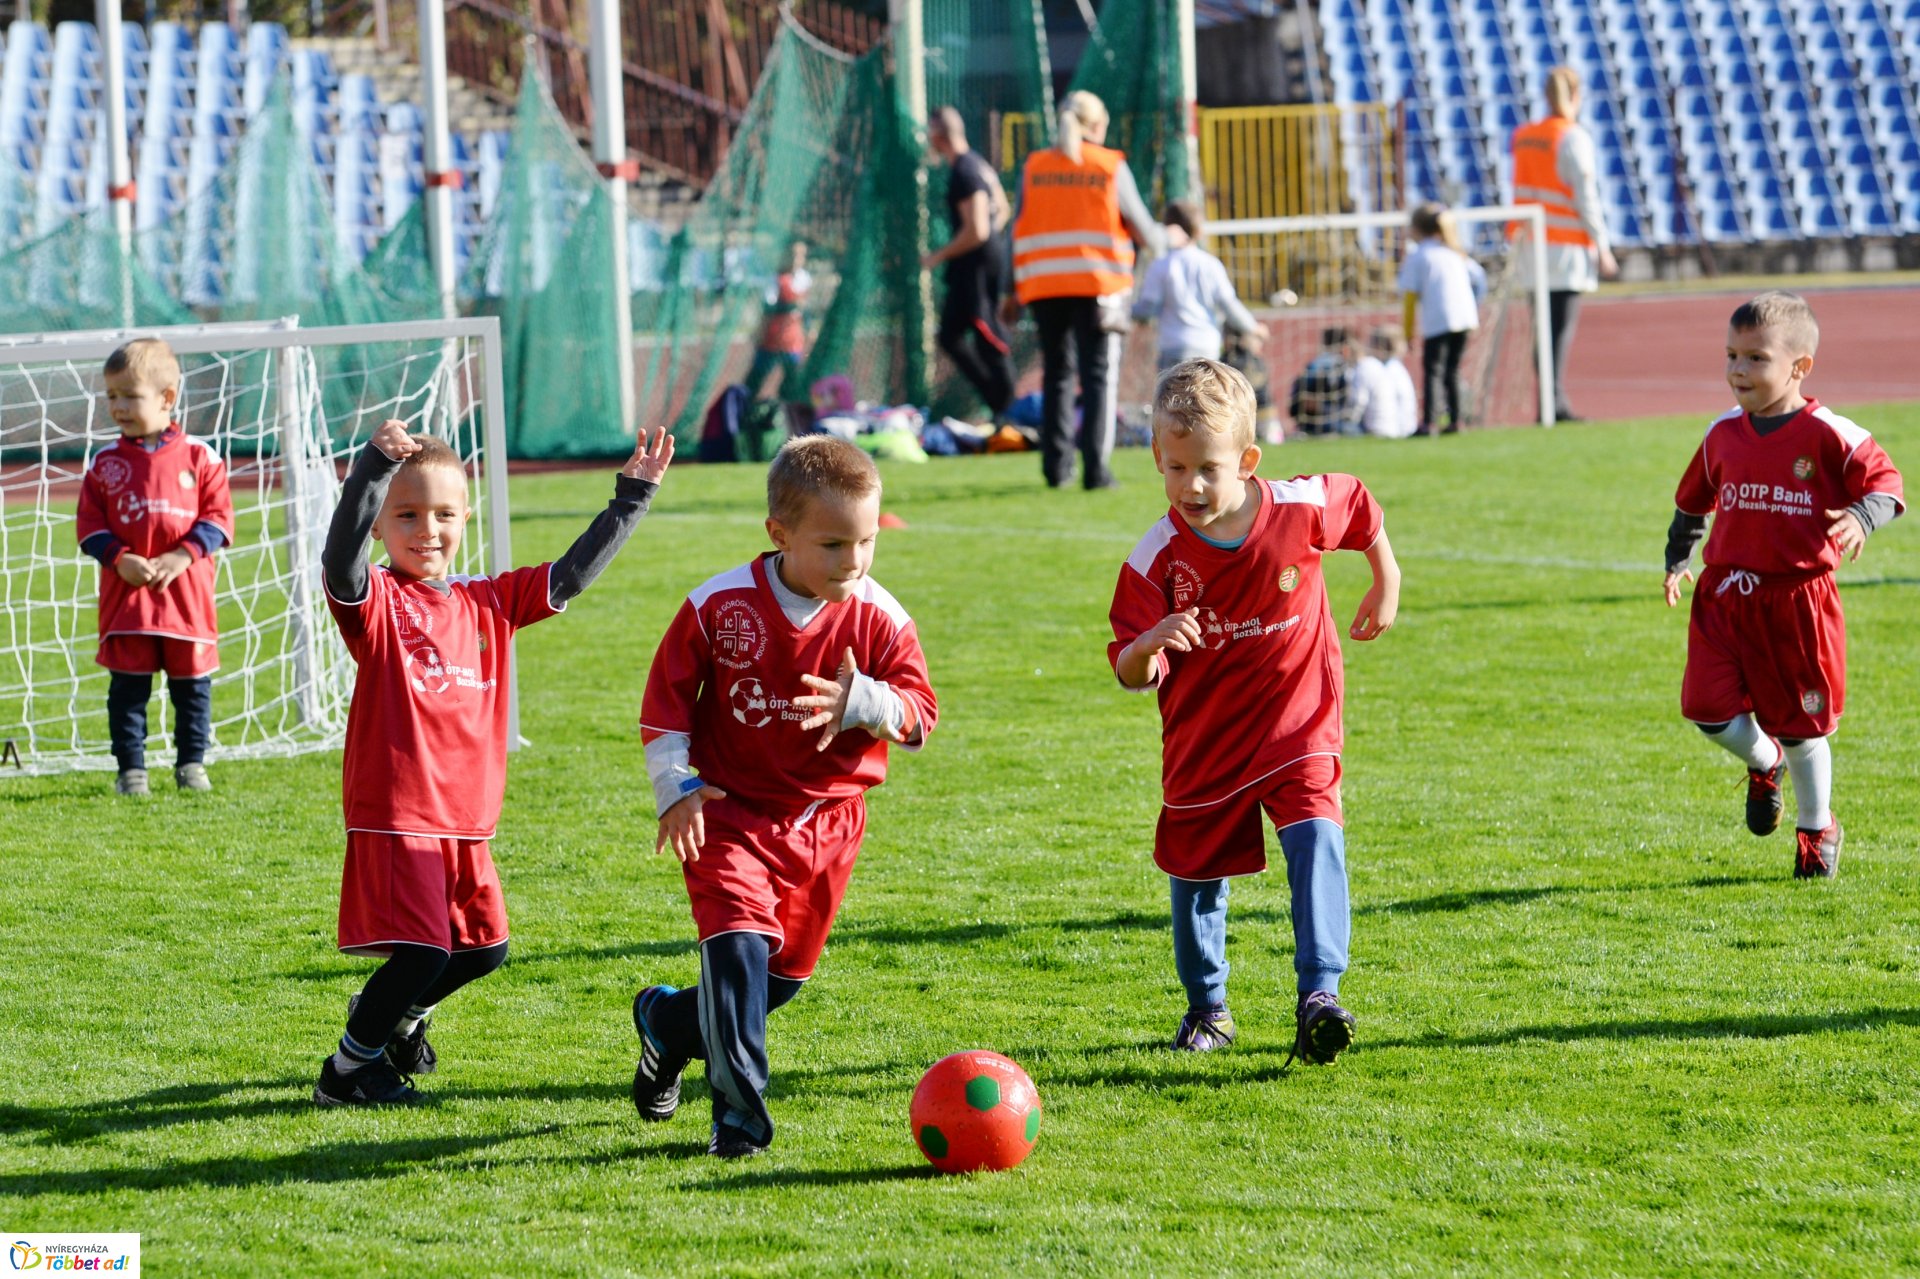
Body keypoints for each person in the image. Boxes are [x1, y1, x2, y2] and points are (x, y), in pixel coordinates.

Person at [312, 421, 673, 1106]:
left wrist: (632, 498)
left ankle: (393, 1019)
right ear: (382, 527)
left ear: (465, 518)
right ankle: (346, 1069)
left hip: (467, 819)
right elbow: (340, 563)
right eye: (407, 515)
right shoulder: (379, 605)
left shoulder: (488, 603)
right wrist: (372, 470)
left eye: (444, 514)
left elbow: (569, 575)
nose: (427, 529)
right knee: (423, 952)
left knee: (483, 949)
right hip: (401, 813)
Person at [632, 436, 938, 1158]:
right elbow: (664, 705)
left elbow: (922, 715)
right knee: (736, 949)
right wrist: (675, 788)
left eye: (866, 541)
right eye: (833, 544)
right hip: (729, 811)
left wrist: (864, 699)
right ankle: (738, 1118)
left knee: (776, 984)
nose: (855, 560)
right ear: (779, 534)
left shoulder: (880, 617)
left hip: (829, 825)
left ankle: (667, 1026)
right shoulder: (717, 605)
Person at [1107, 358, 1401, 1066]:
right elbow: (1127, 671)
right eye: (1175, 468)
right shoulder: (1156, 557)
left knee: (1316, 840)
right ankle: (1208, 1007)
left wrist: (1386, 581)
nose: (1191, 486)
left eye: (1207, 468)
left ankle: (1320, 995)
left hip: (1299, 726)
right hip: (1205, 741)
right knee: (1196, 876)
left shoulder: (1299, 507)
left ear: (1247, 460)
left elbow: (1360, 507)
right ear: (1156, 458)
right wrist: (1148, 643)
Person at [1662, 291, 1904, 879]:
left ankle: (1816, 827)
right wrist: (1678, 557)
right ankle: (1761, 759)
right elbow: (1694, 502)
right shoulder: (1721, 433)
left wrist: (1861, 516)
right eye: (1731, 356)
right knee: (1706, 709)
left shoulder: (1830, 433)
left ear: (1800, 367)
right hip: (1723, 594)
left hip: (1798, 601)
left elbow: (1889, 487)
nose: (1738, 371)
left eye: (1755, 358)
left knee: (1803, 727)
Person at [75, 338, 234, 797]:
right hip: (128, 602)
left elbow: (220, 518)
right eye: (111, 396)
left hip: (187, 602)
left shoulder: (201, 458)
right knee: (128, 692)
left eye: (129, 395)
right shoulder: (104, 464)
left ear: (166, 398)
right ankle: (132, 771)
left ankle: (191, 764)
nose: (118, 406)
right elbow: (88, 525)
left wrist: (182, 555)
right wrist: (120, 560)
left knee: (192, 690)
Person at [1007, 89, 1165, 489]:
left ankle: (1056, 469)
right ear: (1098, 125)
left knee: (1057, 375)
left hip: (1044, 287)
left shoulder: (1035, 166)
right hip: (1098, 288)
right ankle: (1096, 470)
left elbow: (1019, 226)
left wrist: (1012, 288)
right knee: (1098, 377)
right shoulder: (1109, 166)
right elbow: (1145, 230)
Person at [1510, 65, 1619, 422]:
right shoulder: (1572, 137)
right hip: (1565, 247)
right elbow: (1586, 196)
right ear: (1576, 95)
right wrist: (1602, 246)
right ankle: (1552, 404)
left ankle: (1549, 401)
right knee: (1558, 331)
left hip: (1530, 245)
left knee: (1542, 330)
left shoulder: (1525, 135)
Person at [923, 106, 1016, 421]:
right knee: (957, 333)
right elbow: (1001, 209)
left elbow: (978, 229)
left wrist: (938, 256)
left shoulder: (965, 171)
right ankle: (1000, 403)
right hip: (983, 261)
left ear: (938, 136)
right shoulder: (978, 164)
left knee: (984, 333)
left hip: (975, 266)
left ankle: (1005, 406)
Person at [1131, 199, 1268, 372]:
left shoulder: (1161, 265)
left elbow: (1148, 307)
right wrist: (1253, 327)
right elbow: (1228, 303)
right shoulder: (1210, 264)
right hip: (1206, 346)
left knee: (1173, 396)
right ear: (1197, 229)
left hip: (1173, 346)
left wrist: (1128, 311)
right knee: (1205, 397)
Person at [1398, 202, 1486, 435]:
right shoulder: (1455, 253)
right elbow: (1479, 278)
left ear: (1417, 229)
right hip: (1465, 318)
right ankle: (1457, 420)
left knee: (1433, 371)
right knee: (1452, 370)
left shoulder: (1419, 257)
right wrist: (1474, 306)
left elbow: (1409, 299)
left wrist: (1408, 332)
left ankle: (1430, 422)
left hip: (1439, 320)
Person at [747, 242, 812, 403]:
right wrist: (759, 332)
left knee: (792, 379)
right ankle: (745, 413)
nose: (797, 259)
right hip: (772, 338)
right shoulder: (776, 279)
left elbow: (805, 309)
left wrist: (807, 327)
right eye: (793, 255)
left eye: (801, 255)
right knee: (757, 377)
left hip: (792, 339)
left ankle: (787, 413)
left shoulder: (804, 278)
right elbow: (769, 309)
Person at [1351, 325, 1418, 439]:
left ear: (1378, 346)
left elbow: (1359, 401)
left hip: (1390, 429)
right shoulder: (1397, 368)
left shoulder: (1381, 368)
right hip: (1405, 428)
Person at [1289, 327, 1358, 436]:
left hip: (1308, 422)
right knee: (1355, 431)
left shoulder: (1313, 364)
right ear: (1344, 347)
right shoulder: (1334, 365)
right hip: (1324, 423)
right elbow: (1304, 401)